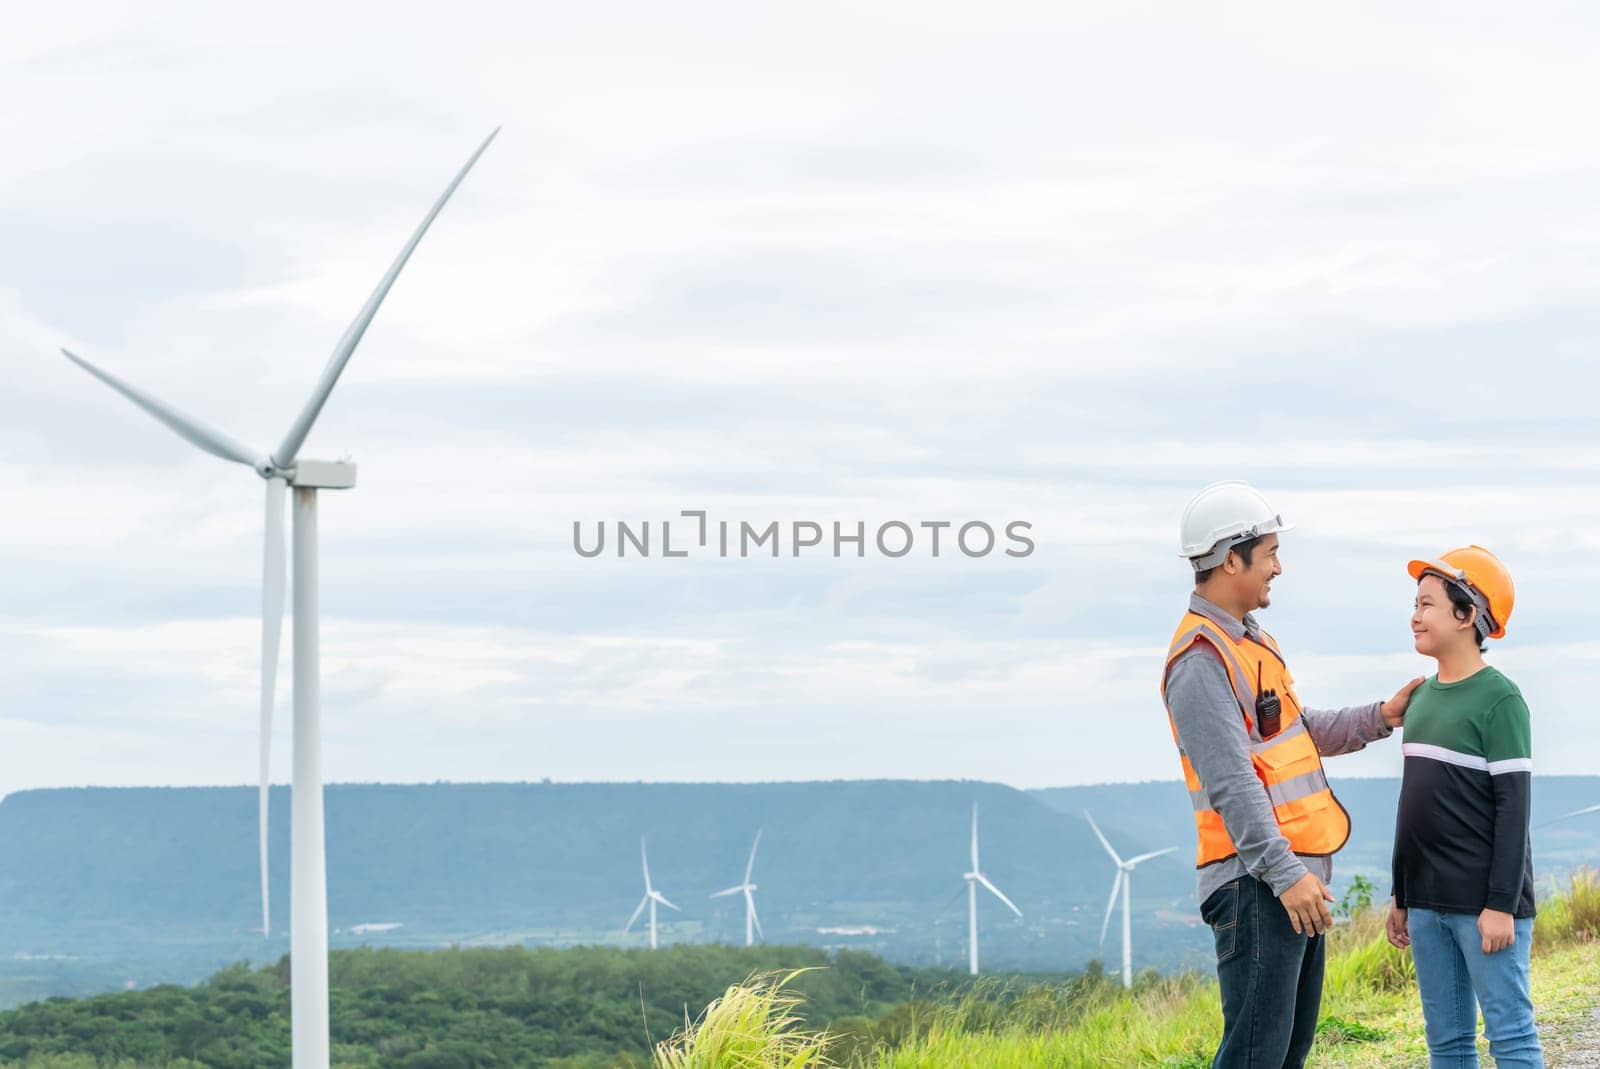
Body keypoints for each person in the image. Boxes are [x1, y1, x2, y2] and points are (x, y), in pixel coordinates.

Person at [1161, 480, 1422, 1069]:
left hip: (1287, 882)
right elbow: (1232, 785)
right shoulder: (1200, 661)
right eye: (1271, 553)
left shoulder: (1252, 644)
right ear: (1232, 558)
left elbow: (1301, 732)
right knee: (1257, 1054)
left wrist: (1382, 716)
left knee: (1287, 1052)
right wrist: (1285, 876)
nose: (1279, 567)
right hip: (1259, 884)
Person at [1386, 547, 1543, 1068]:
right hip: (1427, 904)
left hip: (1485, 908)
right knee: (1446, 1043)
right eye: (1415, 603)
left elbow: (1513, 811)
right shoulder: (1421, 699)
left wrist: (1500, 905)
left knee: (1511, 1036)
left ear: (1466, 613)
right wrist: (1400, 892)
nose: (1415, 615)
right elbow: (1414, 807)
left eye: (1427, 604)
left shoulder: (1501, 700)